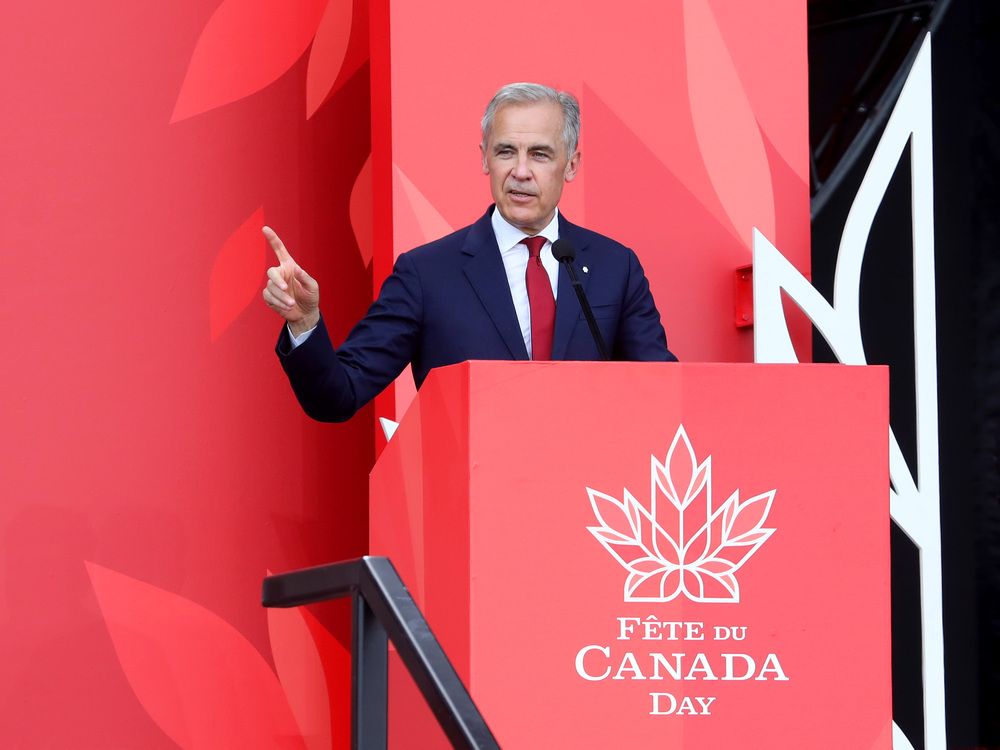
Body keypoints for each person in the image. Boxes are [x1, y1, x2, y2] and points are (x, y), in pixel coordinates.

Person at [262, 82, 676, 422]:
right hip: (470, 505)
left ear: (571, 165)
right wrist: (306, 324)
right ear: (484, 159)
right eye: (505, 151)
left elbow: (665, 399)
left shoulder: (614, 267)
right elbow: (338, 396)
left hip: (589, 504)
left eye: (540, 154)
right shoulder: (426, 274)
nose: (521, 171)